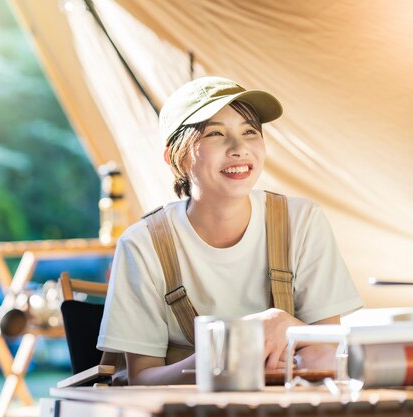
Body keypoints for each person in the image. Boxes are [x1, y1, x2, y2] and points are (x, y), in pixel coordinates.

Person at [97, 76, 363, 385]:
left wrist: (285, 324)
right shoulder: (144, 244)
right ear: (175, 158)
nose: (239, 148)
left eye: (250, 131)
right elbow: (142, 378)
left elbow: (328, 350)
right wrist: (225, 354)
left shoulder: (301, 221)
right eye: (215, 134)